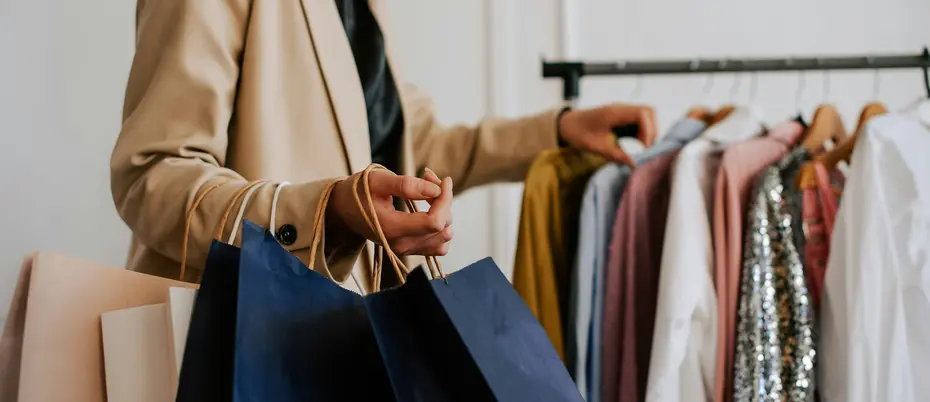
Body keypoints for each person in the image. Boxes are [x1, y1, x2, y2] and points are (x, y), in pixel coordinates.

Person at [110, 0, 657, 291]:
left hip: (346, 335)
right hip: (243, 343)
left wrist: (556, 131)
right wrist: (327, 211)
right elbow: (153, 174)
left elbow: (413, 149)